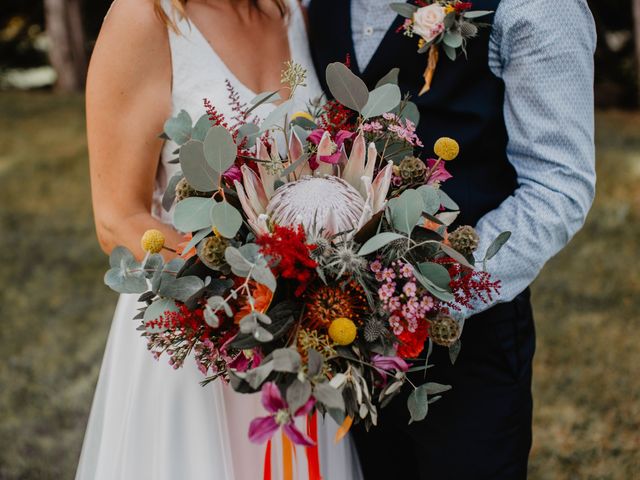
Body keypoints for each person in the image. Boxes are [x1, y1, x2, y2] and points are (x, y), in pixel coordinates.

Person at [308, 0, 596, 478]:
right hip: (339, 342)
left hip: (467, 346)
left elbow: (558, 186)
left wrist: (424, 295)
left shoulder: (538, 6)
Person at [76, 0, 362, 478]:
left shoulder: (289, 12)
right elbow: (116, 219)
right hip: (199, 346)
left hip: (302, 346)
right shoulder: (146, 17)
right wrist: (249, 291)